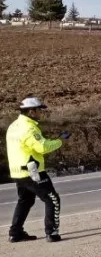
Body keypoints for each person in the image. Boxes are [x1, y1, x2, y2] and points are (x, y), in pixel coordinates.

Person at [7, 96, 69, 243]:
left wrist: (51, 141)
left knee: (25, 200)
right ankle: (52, 232)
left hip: (18, 171)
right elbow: (42, 147)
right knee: (52, 199)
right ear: (31, 111)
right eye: (39, 110)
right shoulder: (29, 128)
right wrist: (60, 141)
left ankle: (15, 233)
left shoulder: (14, 125)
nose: (41, 113)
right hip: (32, 171)